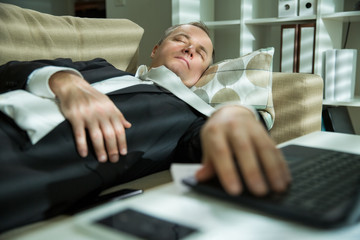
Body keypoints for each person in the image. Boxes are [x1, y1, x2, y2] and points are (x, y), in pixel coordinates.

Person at [0, 22, 290, 231]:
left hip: (19, 169)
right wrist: (65, 81)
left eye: (201, 52)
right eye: (181, 39)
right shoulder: (100, 66)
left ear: (202, 72)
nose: (190, 48)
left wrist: (232, 115)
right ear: (155, 49)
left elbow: (207, 149)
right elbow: (10, 70)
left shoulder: (187, 118)